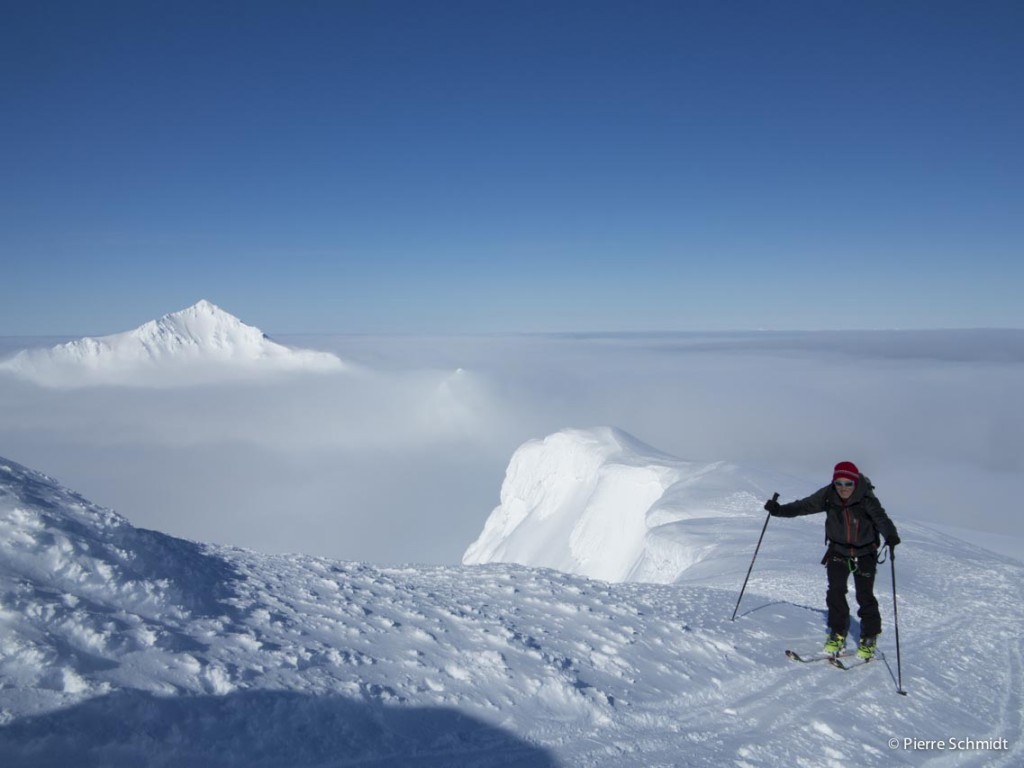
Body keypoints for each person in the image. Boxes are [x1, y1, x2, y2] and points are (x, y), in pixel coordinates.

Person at [764, 461, 900, 659]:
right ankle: (837, 633)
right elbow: (804, 506)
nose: (843, 488)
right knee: (835, 592)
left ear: (855, 483)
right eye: (839, 483)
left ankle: (869, 636)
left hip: (864, 553)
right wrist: (779, 510)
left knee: (865, 595)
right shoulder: (828, 495)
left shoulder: (866, 498)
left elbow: (881, 519)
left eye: (848, 483)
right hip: (838, 551)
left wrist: (891, 535)